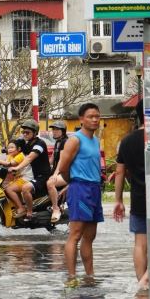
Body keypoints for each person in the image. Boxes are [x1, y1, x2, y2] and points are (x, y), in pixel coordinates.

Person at [57, 103, 104, 283]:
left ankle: (90, 275)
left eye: (97, 116)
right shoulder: (75, 139)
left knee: (90, 237)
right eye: (91, 116)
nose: (94, 119)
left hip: (94, 189)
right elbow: (63, 167)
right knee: (75, 235)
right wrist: (74, 182)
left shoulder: (96, 140)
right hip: (80, 189)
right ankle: (71, 276)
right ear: (81, 119)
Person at [113, 99, 148, 289]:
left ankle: (142, 282)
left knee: (140, 244)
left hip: (137, 198)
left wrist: (118, 200)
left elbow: (119, 172)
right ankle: (145, 282)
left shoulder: (126, 141)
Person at [11, 120, 52, 220]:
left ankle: (29, 211)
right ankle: (20, 207)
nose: (24, 134)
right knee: (11, 187)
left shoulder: (39, 144)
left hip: (43, 176)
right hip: (34, 175)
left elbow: (29, 158)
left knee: (25, 188)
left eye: (27, 132)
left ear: (34, 133)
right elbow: (15, 146)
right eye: (23, 132)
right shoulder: (27, 143)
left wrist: (17, 167)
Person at [0, 141, 32, 220]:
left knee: (8, 189)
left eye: (12, 147)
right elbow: (5, 163)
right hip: (18, 178)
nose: (9, 149)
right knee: (7, 186)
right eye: (8, 148)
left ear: (19, 149)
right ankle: (19, 206)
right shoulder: (10, 156)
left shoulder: (20, 155)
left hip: (26, 178)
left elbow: (10, 164)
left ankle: (21, 208)